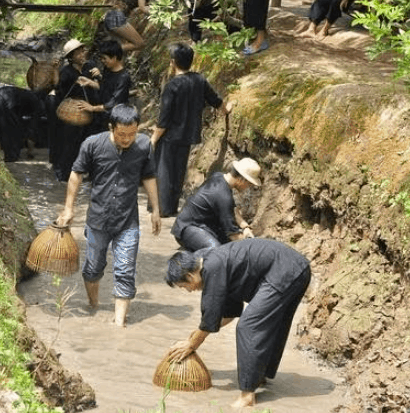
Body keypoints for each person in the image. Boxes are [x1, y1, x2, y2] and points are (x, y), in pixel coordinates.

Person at [164, 238, 312, 408]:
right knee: (270, 323)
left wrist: (192, 344)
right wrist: (196, 333)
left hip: (286, 270)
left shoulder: (212, 267)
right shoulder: (208, 262)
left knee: (248, 326)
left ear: (190, 275)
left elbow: (210, 317)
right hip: (294, 268)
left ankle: (248, 395)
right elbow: (227, 314)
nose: (189, 291)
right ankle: (258, 375)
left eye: (184, 286)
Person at [56, 104, 161, 328]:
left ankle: (119, 326)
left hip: (128, 221)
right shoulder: (93, 144)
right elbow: (76, 174)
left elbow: (149, 176)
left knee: (125, 270)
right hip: (98, 220)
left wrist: (156, 211)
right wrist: (68, 208)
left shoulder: (144, 145)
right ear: (111, 127)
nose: (127, 139)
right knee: (93, 268)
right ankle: (93, 305)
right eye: (122, 134)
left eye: (132, 133)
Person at [150, 43, 231, 217]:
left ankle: (162, 208)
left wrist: (153, 139)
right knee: (179, 170)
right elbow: (215, 100)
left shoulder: (172, 86)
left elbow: (164, 118)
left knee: (164, 170)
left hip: (170, 135)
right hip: (188, 135)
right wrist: (226, 108)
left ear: (173, 62)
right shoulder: (199, 80)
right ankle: (171, 207)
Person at [171, 158, 261, 251]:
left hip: (202, 224)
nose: (248, 187)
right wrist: (252, 245)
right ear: (242, 180)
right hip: (188, 229)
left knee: (228, 243)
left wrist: (245, 226)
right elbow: (234, 236)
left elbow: (234, 210)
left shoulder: (219, 177)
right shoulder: (223, 196)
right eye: (249, 184)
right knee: (217, 252)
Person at [52, 39, 99, 181]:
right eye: (78, 53)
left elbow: (100, 83)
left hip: (91, 108)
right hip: (73, 111)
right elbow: (59, 90)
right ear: (71, 57)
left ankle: (88, 171)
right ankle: (65, 173)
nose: (82, 55)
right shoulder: (66, 72)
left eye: (82, 51)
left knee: (89, 141)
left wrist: (98, 76)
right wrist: (55, 71)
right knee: (70, 142)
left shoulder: (90, 66)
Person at [76, 39, 132, 135]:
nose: (102, 61)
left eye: (104, 58)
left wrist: (92, 108)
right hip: (102, 116)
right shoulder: (107, 69)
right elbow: (104, 88)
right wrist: (90, 82)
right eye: (101, 58)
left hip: (115, 119)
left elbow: (112, 104)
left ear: (114, 58)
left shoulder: (124, 78)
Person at [0, 85, 45, 162]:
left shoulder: (25, 94)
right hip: (4, 101)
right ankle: (11, 156)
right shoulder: (38, 103)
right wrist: (30, 139)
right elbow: (33, 125)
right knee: (11, 131)